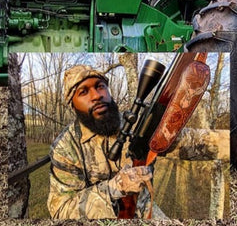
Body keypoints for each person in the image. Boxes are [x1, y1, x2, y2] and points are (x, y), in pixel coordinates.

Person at [47, 64, 226, 219]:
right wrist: (114, 188)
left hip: (144, 209)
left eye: (100, 86)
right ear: (73, 104)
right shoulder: (65, 147)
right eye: (83, 92)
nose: (96, 95)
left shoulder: (137, 125)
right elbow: (61, 210)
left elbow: (192, 142)